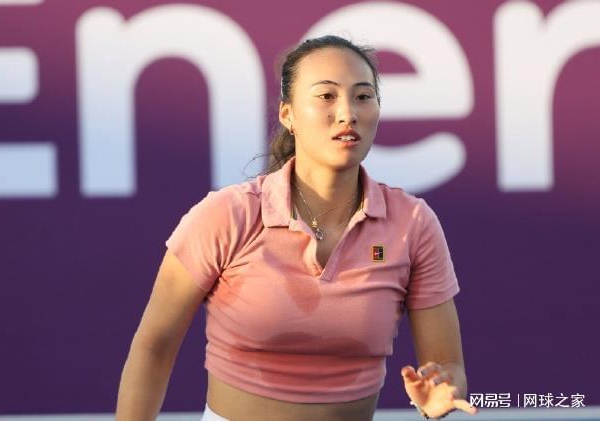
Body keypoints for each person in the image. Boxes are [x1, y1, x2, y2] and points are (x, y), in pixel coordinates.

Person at [116, 35, 478, 421]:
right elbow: (154, 346)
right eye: (326, 96)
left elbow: (448, 366)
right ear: (287, 115)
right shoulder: (227, 214)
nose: (347, 113)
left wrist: (440, 392)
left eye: (363, 96)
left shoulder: (414, 223)